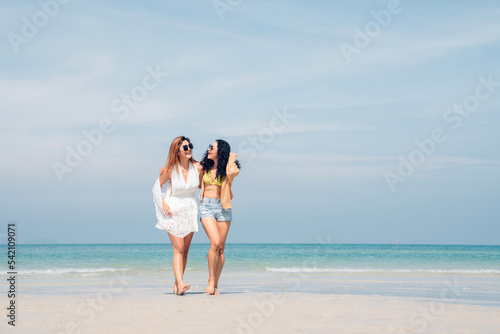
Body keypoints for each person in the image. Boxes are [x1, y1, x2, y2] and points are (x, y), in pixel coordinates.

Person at [152, 136, 203, 295]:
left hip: (190, 210)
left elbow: (203, 184)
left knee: (185, 250)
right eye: (185, 147)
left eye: (190, 146)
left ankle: (177, 284)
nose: (189, 149)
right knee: (178, 248)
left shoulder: (198, 167)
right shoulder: (169, 169)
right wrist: (163, 203)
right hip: (173, 210)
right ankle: (180, 283)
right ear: (177, 152)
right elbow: (155, 187)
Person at [199, 139, 240, 295]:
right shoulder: (203, 167)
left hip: (223, 209)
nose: (208, 149)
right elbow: (186, 166)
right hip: (206, 207)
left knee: (221, 249)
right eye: (209, 146)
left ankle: (215, 284)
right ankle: (210, 280)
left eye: (212, 147)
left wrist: (228, 156)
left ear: (221, 151)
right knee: (215, 243)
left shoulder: (229, 169)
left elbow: (232, 172)